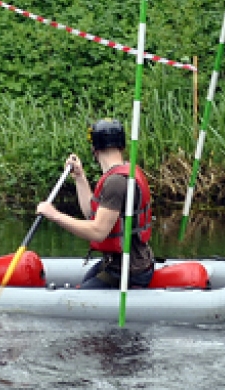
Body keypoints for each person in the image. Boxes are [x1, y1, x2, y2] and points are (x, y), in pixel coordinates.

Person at [36, 118, 155, 289]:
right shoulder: (122, 172)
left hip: (128, 270)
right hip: (117, 263)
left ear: (95, 148)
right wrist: (79, 177)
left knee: (78, 301)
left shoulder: (116, 182)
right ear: (121, 145)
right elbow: (90, 214)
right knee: (83, 285)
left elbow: (98, 231)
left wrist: (55, 215)